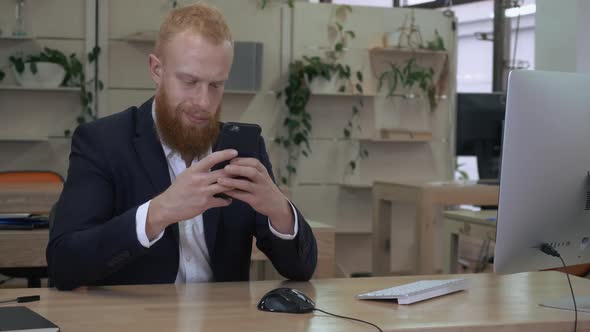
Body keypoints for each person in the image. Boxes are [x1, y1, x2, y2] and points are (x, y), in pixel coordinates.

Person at [46, 2, 317, 290]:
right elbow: (65, 264)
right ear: (156, 70)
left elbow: (300, 269)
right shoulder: (102, 142)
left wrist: (279, 210)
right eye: (189, 81)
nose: (203, 102)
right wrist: (158, 212)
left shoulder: (242, 148)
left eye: (216, 85)